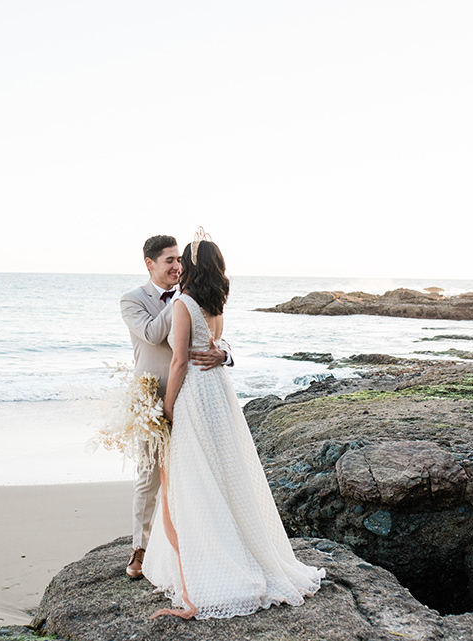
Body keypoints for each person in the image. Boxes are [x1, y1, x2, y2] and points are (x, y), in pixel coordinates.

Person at [143, 230, 325, 620]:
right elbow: (214, 344)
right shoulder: (214, 302)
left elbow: (178, 362)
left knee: (197, 474)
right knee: (226, 469)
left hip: (193, 392)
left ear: (190, 267)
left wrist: (168, 405)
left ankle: (215, 562)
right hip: (219, 393)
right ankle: (244, 548)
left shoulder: (183, 303)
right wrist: (222, 354)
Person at [119, 235, 231, 580]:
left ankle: (191, 549)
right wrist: (183, 296)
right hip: (153, 399)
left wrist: (223, 353)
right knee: (148, 476)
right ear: (149, 264)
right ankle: (140, 548)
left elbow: (216, 337)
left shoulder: (192, 298)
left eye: (179, 260)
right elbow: (153, 334)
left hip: (193, 397)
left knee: (194, 476)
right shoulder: (132, 300)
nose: (176, 266)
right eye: (168, 261)